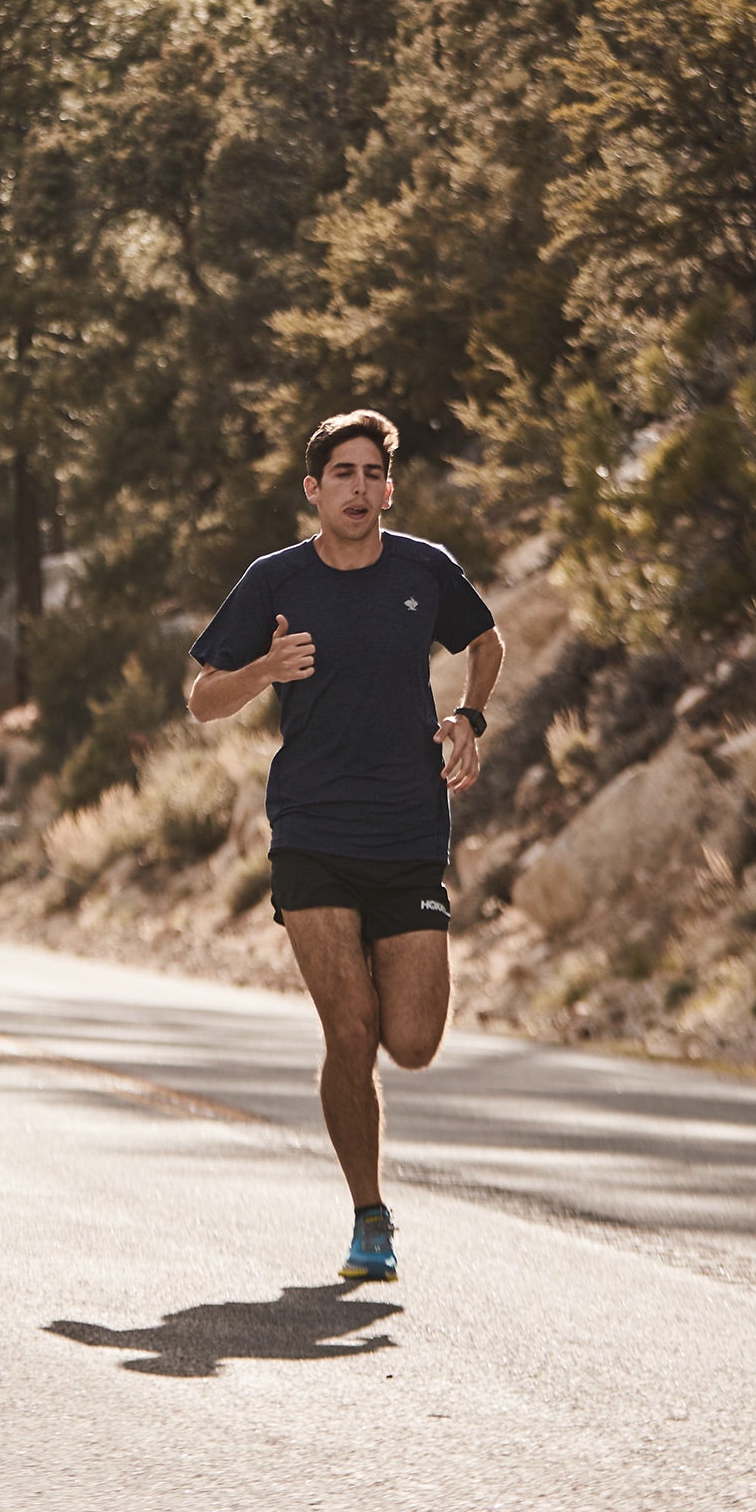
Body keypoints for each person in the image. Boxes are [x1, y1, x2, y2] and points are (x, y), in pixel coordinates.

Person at [187, 408, 503, 1285]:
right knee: (352, 1029)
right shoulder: (275, 579)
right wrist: (264, 669)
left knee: (414, 1041)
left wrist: (470, 716)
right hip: (313, 828)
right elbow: (203, 698)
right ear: (314, 489)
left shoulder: (424, 569)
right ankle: (369, 1215)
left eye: (372, 474)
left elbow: (486, 641)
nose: (359, 489)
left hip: (407, 826)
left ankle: (376, 990)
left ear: (388, 489)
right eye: (342, 474)